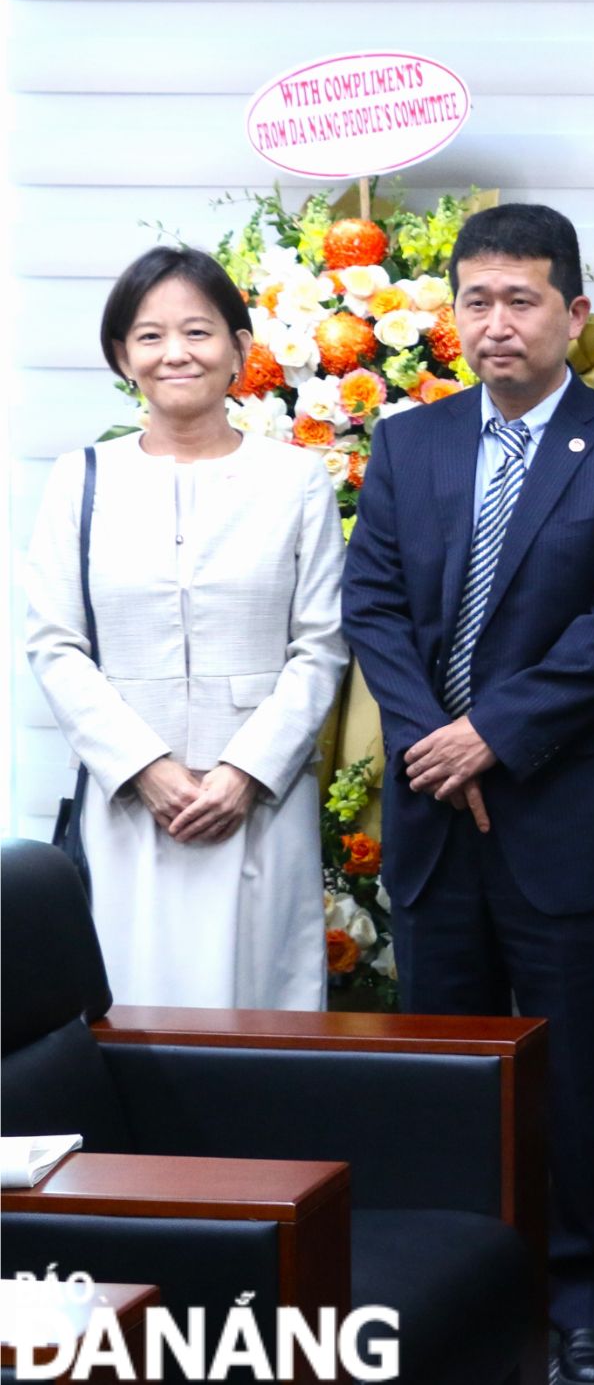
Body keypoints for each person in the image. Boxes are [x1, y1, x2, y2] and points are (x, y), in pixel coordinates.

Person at [341, 203, 594, 1385]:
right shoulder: (410, 443)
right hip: (437, 816)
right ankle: (458, 1288)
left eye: (521, 299)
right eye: (476, 300)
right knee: (452, 1074)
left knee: (581, 1075)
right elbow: (372, 607)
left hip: (567, 820)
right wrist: (438, 740)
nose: (497, 323)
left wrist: (493, 734)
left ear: (572, 314)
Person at [24, 245, 346, 1011]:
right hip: (132, 804)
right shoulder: (81, 477)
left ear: (240, 349)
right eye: (150, 335)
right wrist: (148, 767)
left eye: (199, 332)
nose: (176, 353)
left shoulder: (296, 478)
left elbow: (321, 644)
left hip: (259, 804)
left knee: (262, 1012)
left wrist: (242, 772)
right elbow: (55, 642)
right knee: (130, 1009)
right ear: (120, 355)